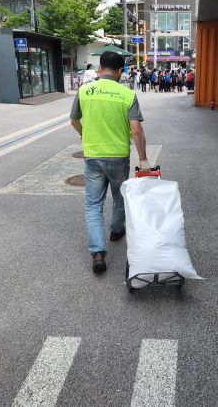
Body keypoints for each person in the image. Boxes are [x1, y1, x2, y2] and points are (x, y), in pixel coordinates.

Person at [70, 51, 150, 274]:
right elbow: (136, 130)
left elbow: (73, 120)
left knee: (93, 205)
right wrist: (143, 159)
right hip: (118, 156)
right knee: (119, 196)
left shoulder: (85, 91)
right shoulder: (127, 94)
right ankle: (116, 231)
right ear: (120, 71)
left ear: (100, 68)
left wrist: (85, 135)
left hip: (93, 156)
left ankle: (97, 253)